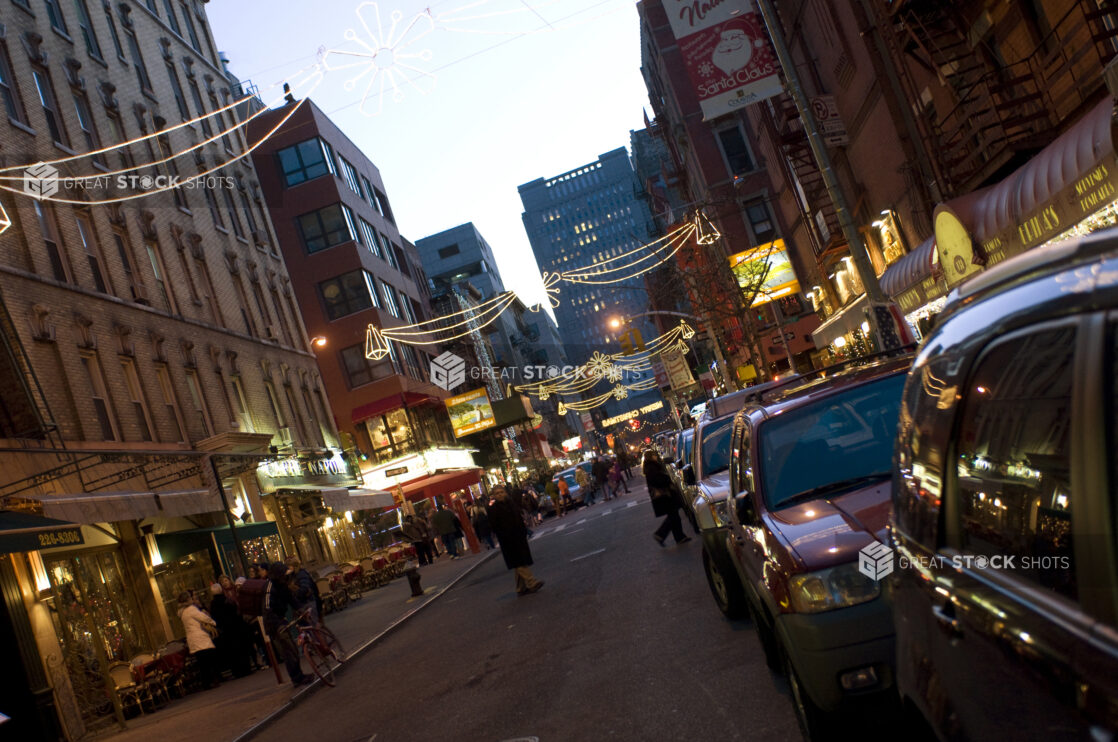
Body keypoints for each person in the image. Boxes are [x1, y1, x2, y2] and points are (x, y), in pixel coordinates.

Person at [487, 485, 544, 596]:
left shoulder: (511, 504)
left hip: (518, 536)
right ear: (494, 495)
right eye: (497, 493)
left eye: (501, 492)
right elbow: (494, 526)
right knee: (519, 562)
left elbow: (518, 518)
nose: (500, 494)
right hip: (508, 540)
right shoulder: (493, 509)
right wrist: (504, 535)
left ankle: (520, 588)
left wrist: (523, 531)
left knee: (519, 561)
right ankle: (532, 582)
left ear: (505, 493)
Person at [263, 562, 311, 687]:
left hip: (281, 619)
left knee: (293, 649)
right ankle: (296, 678)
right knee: (288, 651)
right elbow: (267, 609)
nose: (286, 577)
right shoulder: (269, 588)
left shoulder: (282, 585)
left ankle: (299, 676)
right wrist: (278, 625)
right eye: (284, 574)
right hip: (274, 624)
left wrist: (301, 610)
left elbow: (291, 599)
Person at [643, 449, 691, 547]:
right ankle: (663, 534)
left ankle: (678, 537)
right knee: (673, 516)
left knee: (673, 516)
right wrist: (666, 479)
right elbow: (657, 480)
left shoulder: (650, 466)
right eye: (654, 455)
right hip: (664, 495)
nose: (656, 456)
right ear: (651, 456)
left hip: (664, 495)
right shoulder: (651, 467)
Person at [209, 579, 253, 678]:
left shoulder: (213, 605)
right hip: (236, 628)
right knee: (241, 650)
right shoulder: (227, 600)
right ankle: (246, 669)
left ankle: (237, 671)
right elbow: (235, 612)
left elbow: (214, 618)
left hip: (225, 632)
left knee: (232, 653)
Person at [177, 591, 221, 689]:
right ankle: (212, 681)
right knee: (209, 661)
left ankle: (206, 682)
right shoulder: (191, 609)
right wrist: (213, 623)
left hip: (193, 640)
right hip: (200, 638)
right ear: (188, 600)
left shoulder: (182, 612)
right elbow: (203, 618)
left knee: (202, 663)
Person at [285, 556, 321, 626]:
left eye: (288, 567)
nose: (287, 569)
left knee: (312, 625)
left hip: (307, 603)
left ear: (293, 566)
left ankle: (319, 635)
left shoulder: (301, 574)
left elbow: (304, 588)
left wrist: (295, 593)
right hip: (302, 604)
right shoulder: (292, 576)